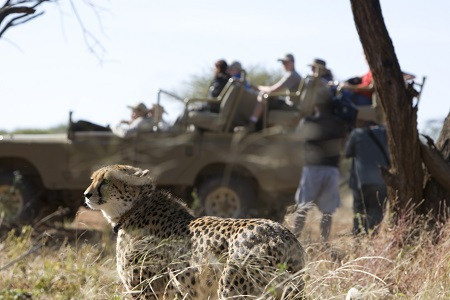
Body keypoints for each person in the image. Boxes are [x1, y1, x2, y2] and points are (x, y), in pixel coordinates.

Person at [292, 88, 347, 244]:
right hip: (332, 170)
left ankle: (295, 239)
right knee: (327, 211)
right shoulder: (339, 123)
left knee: (302, 207)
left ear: (316, 105)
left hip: (312, 169)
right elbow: (343, 145)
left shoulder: (308, 122)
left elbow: (296, 140)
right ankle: (324, 243)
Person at [344, 120, 389, 235]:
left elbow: (347, 153)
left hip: (361, 181)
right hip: (380, 180)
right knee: (377, 210)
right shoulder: (384, 132)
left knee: (359, 211)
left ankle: (359, 238)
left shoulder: (356, 134)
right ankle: (372, 237)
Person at [247, 53, 302, 129]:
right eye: (283, 63)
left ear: (292, 62)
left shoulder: (293, 75)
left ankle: (252, 123)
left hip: (291, 106)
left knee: (263, 95)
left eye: (286, 62)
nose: (284, 65)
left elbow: (272, 90)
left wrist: (256, 87)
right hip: (290, 104)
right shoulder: (292, 75)